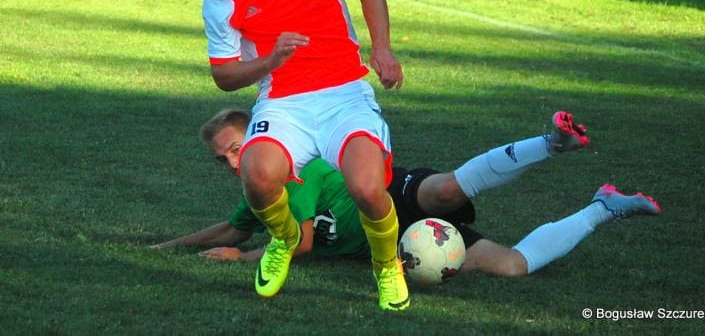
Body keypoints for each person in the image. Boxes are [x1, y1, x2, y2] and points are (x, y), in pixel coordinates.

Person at [195, 0, 407, 311]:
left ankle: (387, 266)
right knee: (256, 174)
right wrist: (270, 60)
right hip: (284, 103)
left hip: (345, 93)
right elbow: (224, 76)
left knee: (367, 189)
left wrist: (381, 48)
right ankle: (285, 237)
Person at [152, 109, 661, 282]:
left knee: (445, 189)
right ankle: (603, 206)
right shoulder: (257, 188)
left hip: (391, 196)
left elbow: (299, 244)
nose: (233, 162)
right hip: (396, 243)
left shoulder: (290, 170)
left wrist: (242, 258)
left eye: (238, 149)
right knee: (511, 267)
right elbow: (233, 226)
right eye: (223, 158)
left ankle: (552, 142)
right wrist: (171, 247)